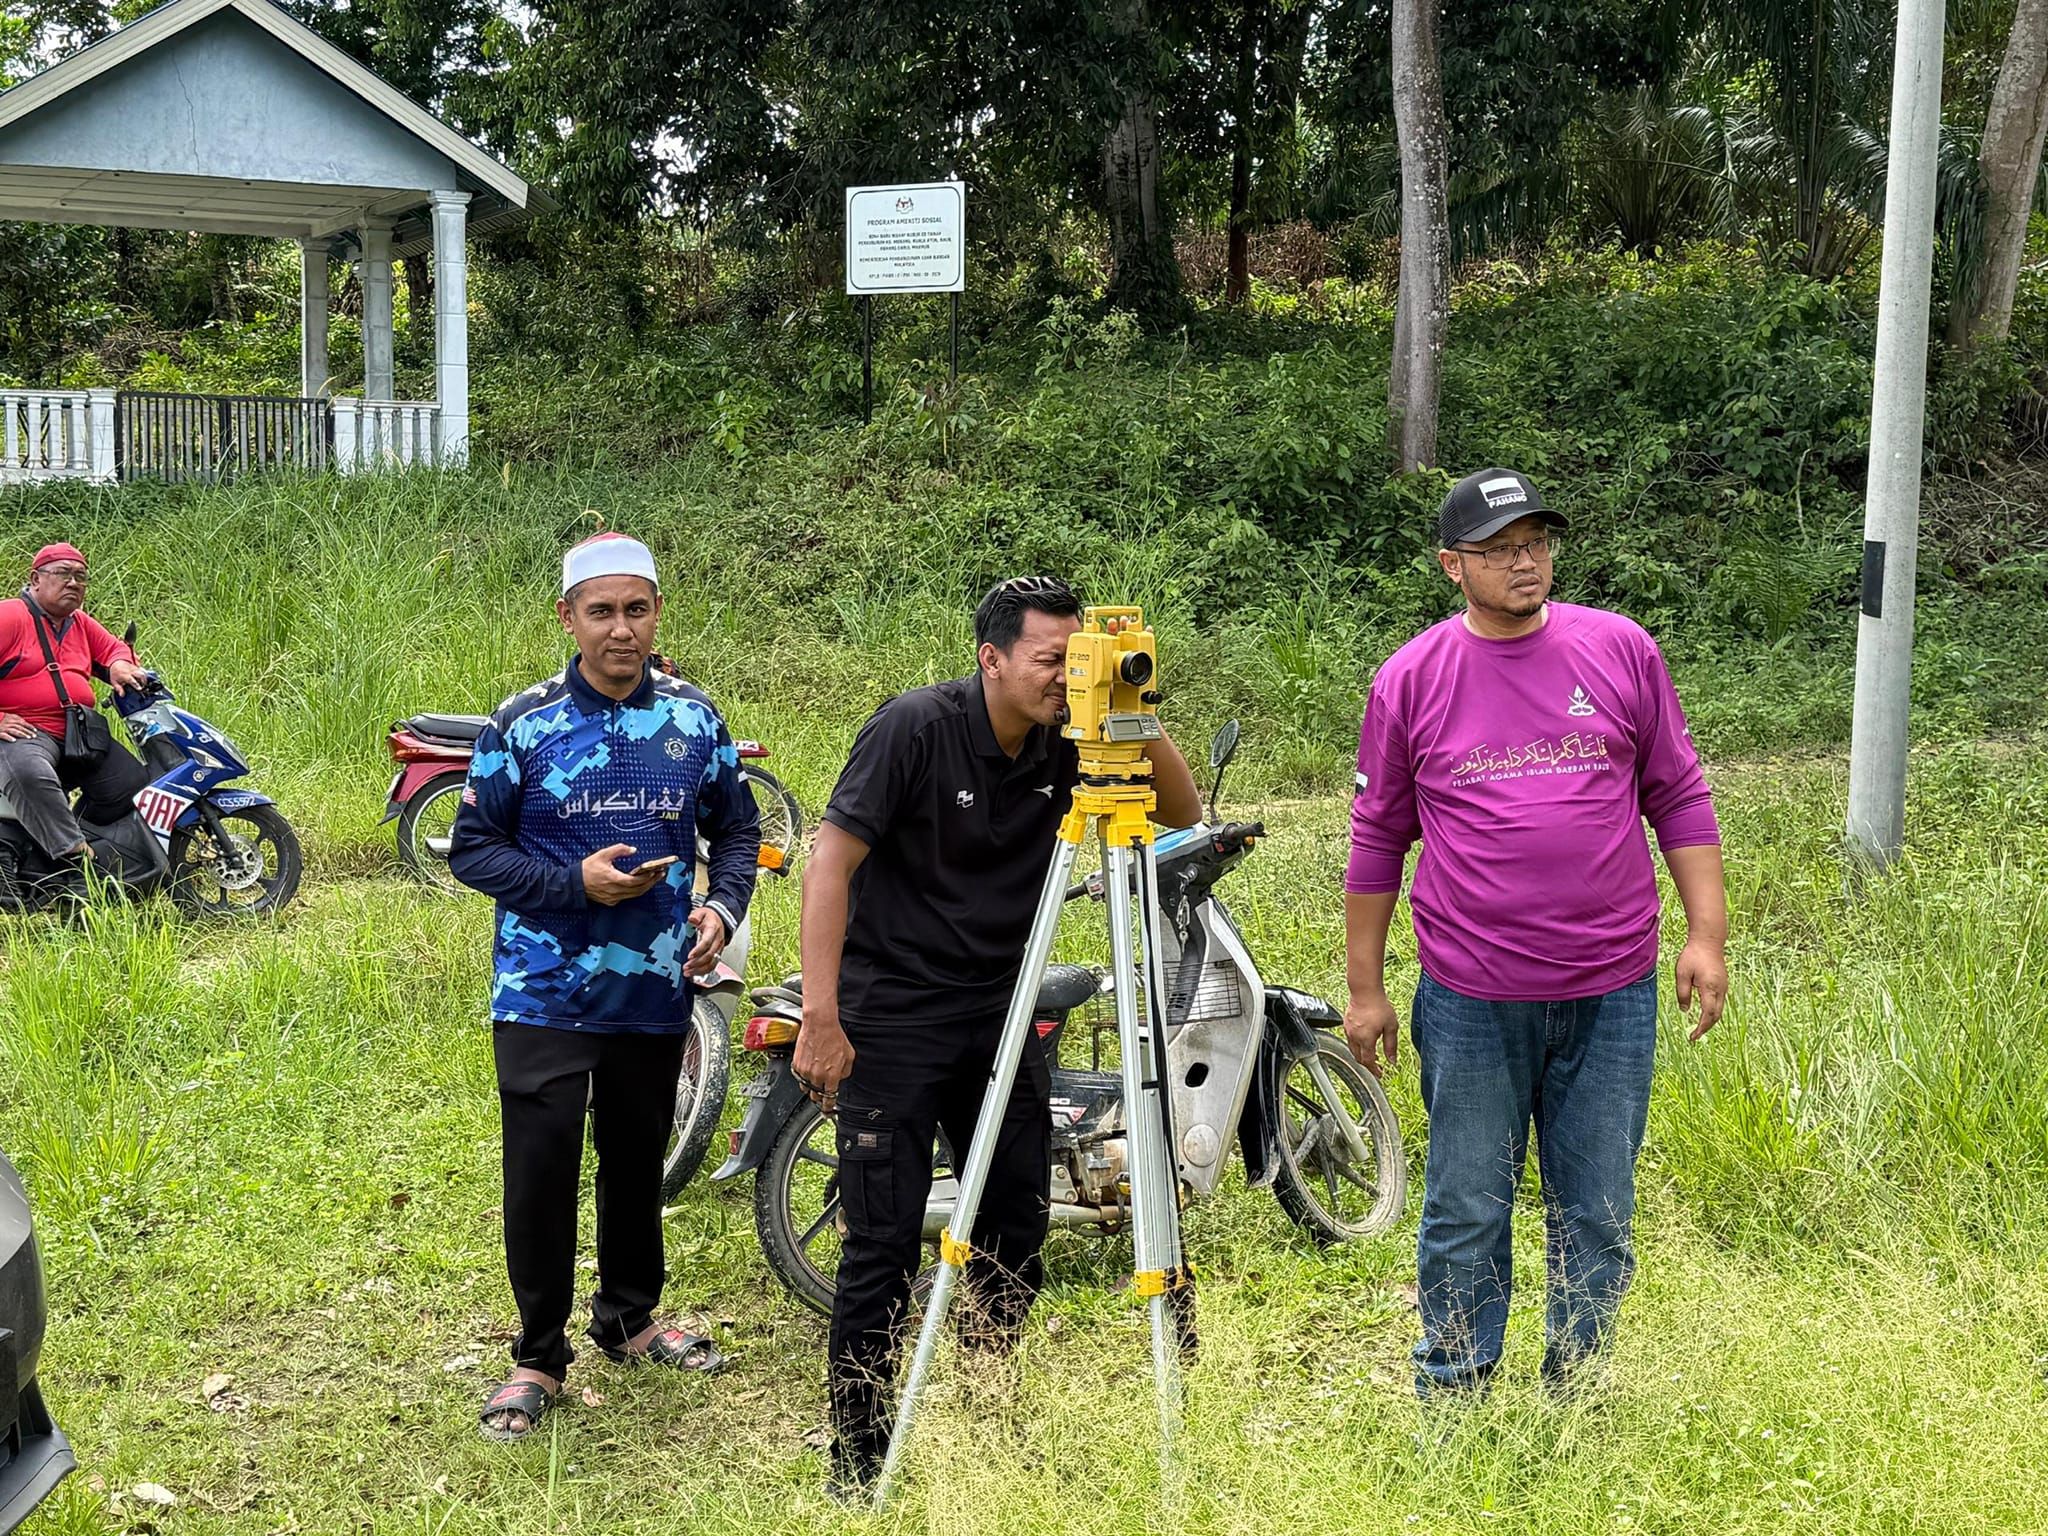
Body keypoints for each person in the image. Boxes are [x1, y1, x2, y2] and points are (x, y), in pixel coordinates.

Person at [793, 575, 1203, 1494]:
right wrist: (821, 1015)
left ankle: (988, 1394)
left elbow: (1179, 812)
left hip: (1000, 1015)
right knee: (884, 1244)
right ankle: (859, 1454)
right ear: (992, 658)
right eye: (1053, 661)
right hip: (893, 1015)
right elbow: (830, 863)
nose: (1066, 679)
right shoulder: (915, 729)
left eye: (1078, 659)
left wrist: (1127, 703)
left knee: (1015, 1223)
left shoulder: (1077, 739)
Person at [1342, 468, 1729, 1399]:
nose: (1526, 562)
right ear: (1452, 565)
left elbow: (1676, 793)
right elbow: (1377, 837)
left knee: (1596, 1207)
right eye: (1502, 548)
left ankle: (1578, 1386)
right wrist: (1365, 988)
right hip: (1473, 995)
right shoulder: (1412, 677)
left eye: (1538, 543)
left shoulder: (1621, 649)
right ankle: (1456, 1387)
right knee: (1466, 1206)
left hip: (1613, 988)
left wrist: (1705, 935)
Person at [448, 532, 762, 1441]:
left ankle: (628, 1316)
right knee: (540, 1171)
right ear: (568, 618)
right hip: (542, 988)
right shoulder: (523, 725)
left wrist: (721, 907)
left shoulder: (696, 721)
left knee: (636, 1159)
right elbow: (474, 848)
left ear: (657, 611)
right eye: (601, 611)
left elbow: (735, 829)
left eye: (636, 609)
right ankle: (537, 1352)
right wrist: (570, 887)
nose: (620, 630)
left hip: (655, 985)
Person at [0, 542, 151, 903]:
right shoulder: (9, 617)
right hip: (25, 733)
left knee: (135, 786)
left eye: (80, 576)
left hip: (76, 734)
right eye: (63, 574)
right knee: (29, 773)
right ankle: (77, 861)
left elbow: (115, 648)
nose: (73, 583)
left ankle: (59, 852)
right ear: (36, 579)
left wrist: (118, 663)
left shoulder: (79, 623)